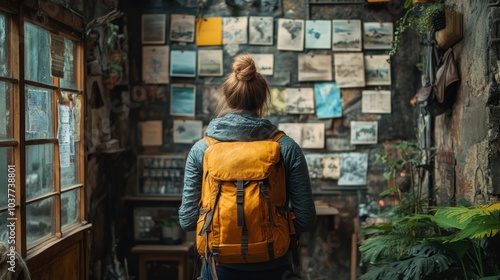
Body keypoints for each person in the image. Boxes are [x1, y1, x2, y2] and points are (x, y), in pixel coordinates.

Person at [178, 53, 316, 280]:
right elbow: (306, 219)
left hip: (217, 269)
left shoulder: (201, 150)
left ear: (226, 97)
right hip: (275, 266)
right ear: (263, 100)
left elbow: (187, 220)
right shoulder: (286, 148)